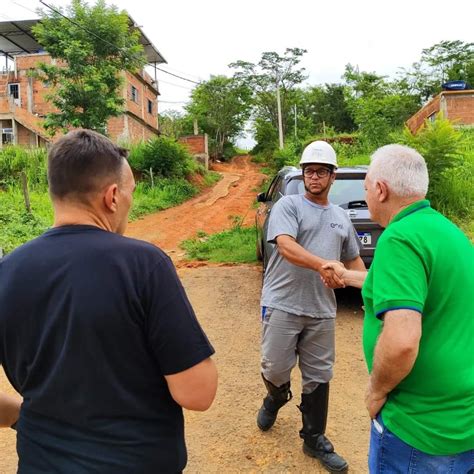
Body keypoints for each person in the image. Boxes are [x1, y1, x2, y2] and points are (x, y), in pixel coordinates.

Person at [0, 129, 218, 473]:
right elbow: (197, 392)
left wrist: (24, 418)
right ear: (112, 196)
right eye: (131, 193)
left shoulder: (6, 271)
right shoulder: (145, 264)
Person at [322, 144, 474, 473]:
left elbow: (403, 339)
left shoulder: (399, 238)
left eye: (365, 189)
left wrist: (376, 391)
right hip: (463, 418)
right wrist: (347, 276)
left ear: (380, 189)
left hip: (420, 427)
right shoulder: (448, 232)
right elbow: (413, 290)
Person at [257, 140, 365, 473]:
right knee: (275, 368)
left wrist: (376, 291)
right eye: (309, 171)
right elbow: (286, 247)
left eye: (321, 171)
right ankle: (276, 397)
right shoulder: (288, 206)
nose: (314, 176)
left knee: (320, 376)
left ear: (333, 176)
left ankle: (314, 437)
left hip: (321, 311)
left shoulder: (340, 217)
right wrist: (323, 265)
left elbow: (354, 263)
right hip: (282, 303)